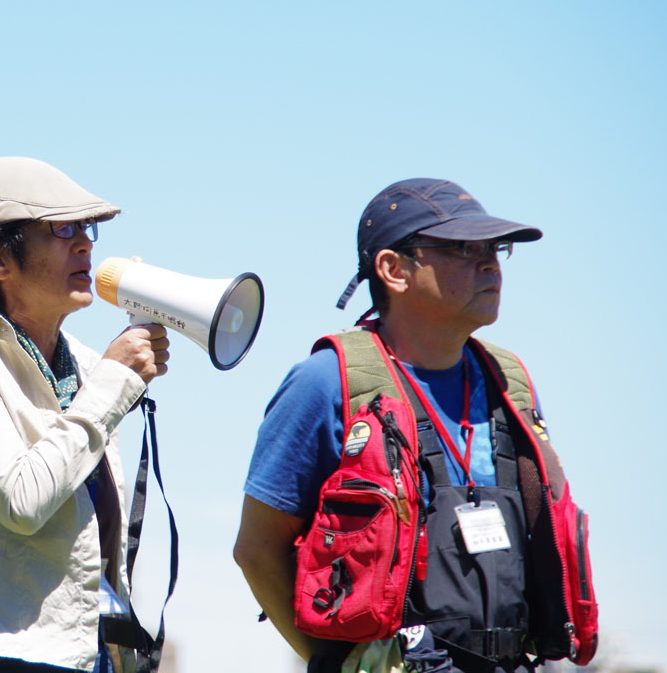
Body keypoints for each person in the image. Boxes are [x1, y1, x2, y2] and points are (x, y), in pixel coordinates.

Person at [234, 178, 590, 673]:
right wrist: (339, 664)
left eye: (496, 248)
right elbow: (257, 549)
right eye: (464, 248)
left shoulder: (509, 383)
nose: (489, 263)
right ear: (393, 269)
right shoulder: (326, 383)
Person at [0, 157, 170, 673]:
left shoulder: (89, 366)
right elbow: (23, 500)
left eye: (86, 229)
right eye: (62, 229)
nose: (86, 244)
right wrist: (115, 383)